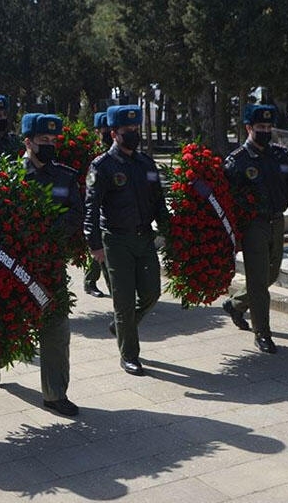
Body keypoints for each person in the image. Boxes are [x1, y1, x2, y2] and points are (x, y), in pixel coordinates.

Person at [0, 112, 82, 416]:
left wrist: (47, 235)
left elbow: (75, 215)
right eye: (42, 140)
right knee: (3, 318)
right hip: (12, 264)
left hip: (50, 262)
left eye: (52, 140)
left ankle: (55, 393)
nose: (49, 145)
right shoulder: (8, 176)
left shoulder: (65, 176)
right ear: (28, 141)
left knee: (56, 325)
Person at [222, 104, 288, 354]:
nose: (265, 131)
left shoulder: (279, 155)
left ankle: (236, 304)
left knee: (270, 274)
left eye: (268, 127)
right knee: (258, 281)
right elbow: (227, 201)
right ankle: (262, 333)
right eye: (260, 127)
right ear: (248, 128)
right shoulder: (237, 161)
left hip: (277, 221)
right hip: (253, 225)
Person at [83, 105, 168, 376]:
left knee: (152, 293)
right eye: (126, 130)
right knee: (124, 301)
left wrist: (169, 231)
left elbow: (158, 201)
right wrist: (94, 244)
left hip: (144, 237)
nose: (133, 134)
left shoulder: (145, 163)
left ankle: (121, 325)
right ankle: (129, 355)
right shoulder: (102, 165)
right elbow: (91, 207)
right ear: (113, 133)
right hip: (116, 240)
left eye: (135, 129)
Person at [83, 111, 112, 298]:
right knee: (100, 251)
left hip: (111, 206)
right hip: (96, 208)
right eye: (104, 130)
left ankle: (89, 281)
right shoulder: (94, 154)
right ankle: (94, 283)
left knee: (100, 253)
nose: (108, 133)